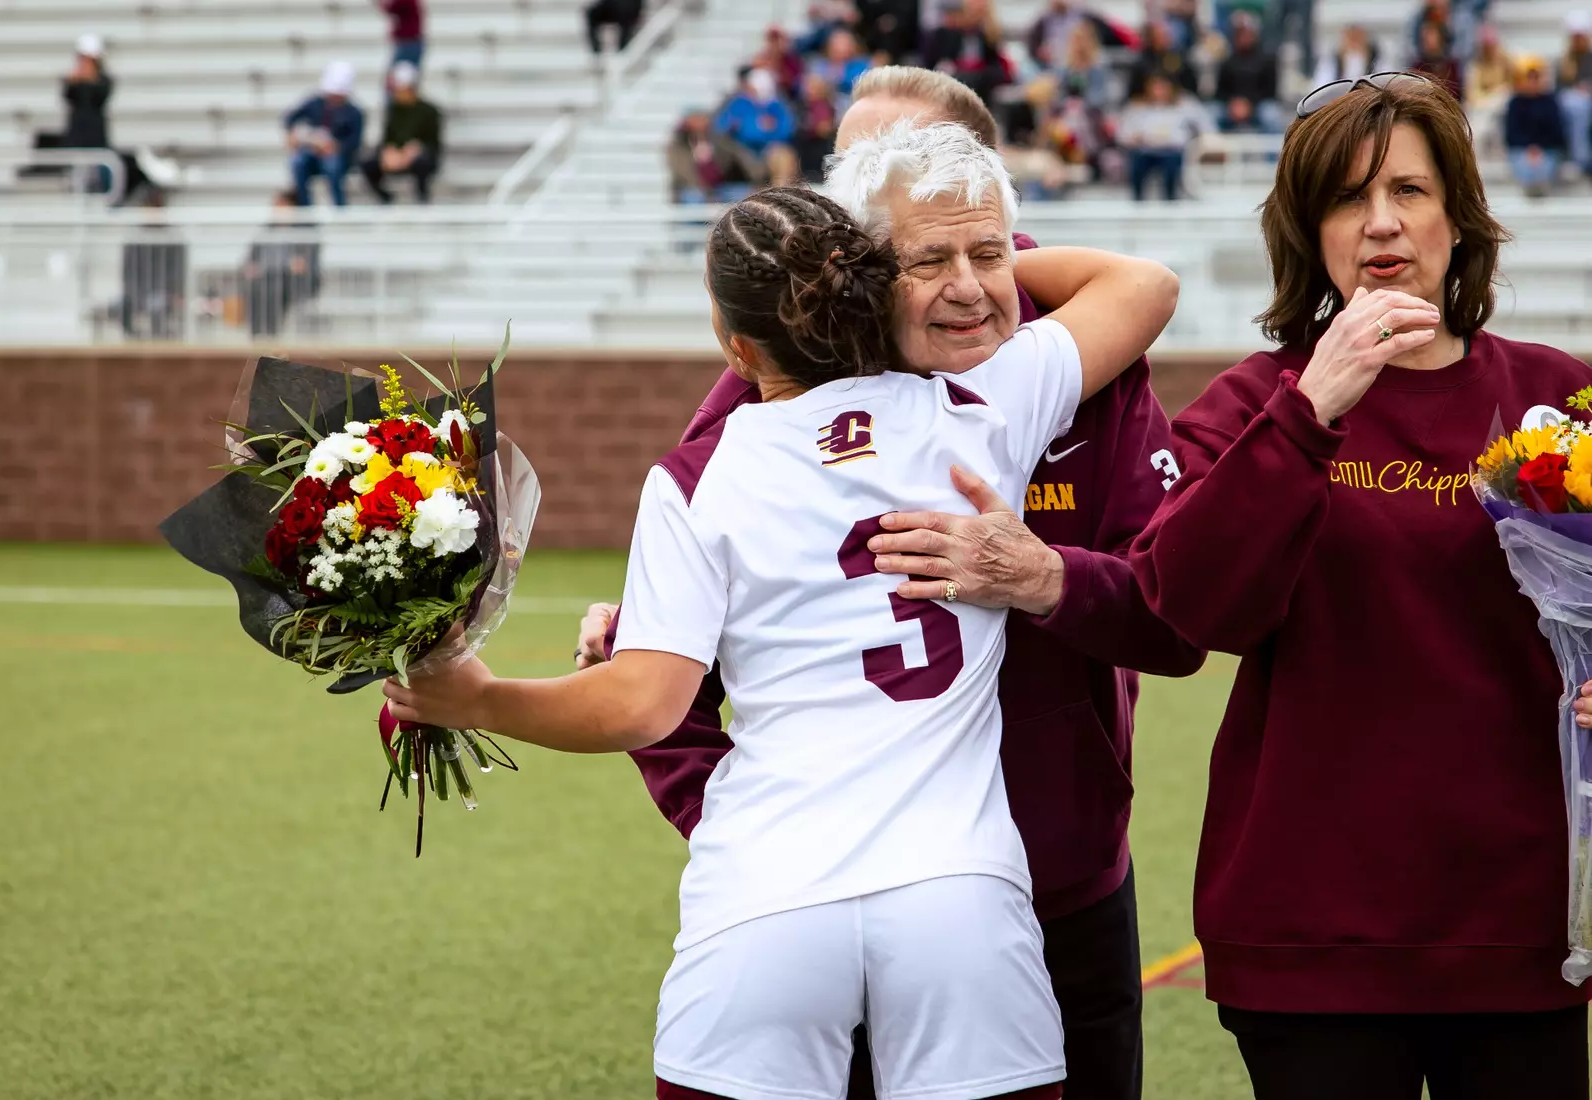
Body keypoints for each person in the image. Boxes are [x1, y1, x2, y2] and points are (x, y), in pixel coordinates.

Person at [388, 122, 1179, 1098]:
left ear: (734, 343)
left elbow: (641, 704)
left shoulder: (698, 475)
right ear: (875, 286)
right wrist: (987, 251)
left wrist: (477, 696)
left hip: (768, 893)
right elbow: (1143, 287)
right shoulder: (983, 408)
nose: (967, 284)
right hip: (957, 892)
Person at [585, 65, 1206, 1100]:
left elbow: (1178, 621)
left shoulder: (1075, 367)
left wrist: (1046, 577)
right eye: (863, 185)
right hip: (819, 885)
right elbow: (669, 668)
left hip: (1060, 872)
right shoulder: (763, 394)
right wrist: (742, 818)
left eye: (932, 178)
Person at [1129, 71, 1592, 1099]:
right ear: (1311, 231)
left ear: (1458, 219)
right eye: (1346, 198)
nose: (1380, 222)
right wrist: (1310, 411)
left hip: (1519, 921)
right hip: (1307, 932)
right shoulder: (1253, 401)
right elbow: (1187, 606)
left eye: (1409, 190)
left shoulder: (1553, 394)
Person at [283, 62, 365, 208]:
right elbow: (290, 117)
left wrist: (334, 147)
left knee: (332, 165)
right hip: (312, 154)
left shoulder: (354, 113)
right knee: (297, 161)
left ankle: (339, 207)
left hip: (339, 158)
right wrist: (293, 134)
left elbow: (354, 143)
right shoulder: (315, 103)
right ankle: (305, 207)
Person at [1120, 73, 1212, 201]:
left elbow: (1206, 126)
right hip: (1146, 150)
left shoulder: (1185, 105)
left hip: (1173, 150)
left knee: (1172, 165)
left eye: (1163, 87)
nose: (1160, 92)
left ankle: (1171, 198)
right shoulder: (1137, 108)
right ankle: (1137, 199)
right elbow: (1123, 134)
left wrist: (1194, 140)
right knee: (1137, 163)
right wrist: (1134, 138)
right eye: (1156, 88)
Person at [360, 61, 441, 204]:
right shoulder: (393, 109)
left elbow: (434, 142)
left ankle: (422, 198)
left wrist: (416, 149)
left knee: (422, 162)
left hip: (418, 156)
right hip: (396, 155)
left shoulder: (429, 111)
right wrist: (388, 151)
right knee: (369, 163)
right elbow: (387, 137)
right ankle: (385, 198)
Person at [242, 190, 320, 338]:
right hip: (266, 278)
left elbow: (304, 265)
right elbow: (250, 260)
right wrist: (252, 267)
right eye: (276, 206)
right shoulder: (265, 232)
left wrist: (284, 266)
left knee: (275, 288)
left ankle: (272, 334)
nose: (278, 210)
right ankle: (257, 335)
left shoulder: (305, 233)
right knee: (257, 290)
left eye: (283, 206)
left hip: (293, 282)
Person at [714, 69, 800, 187]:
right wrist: (759, 128)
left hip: (770, 149)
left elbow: (786, 130)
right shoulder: (740, 103)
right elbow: (723, 126)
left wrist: (760, 129)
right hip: (744, 149)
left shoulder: (776, 105)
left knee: (783, 157)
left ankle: (781, 190)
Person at [119, 190, 186, 341]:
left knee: (157, 303)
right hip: (139, 292)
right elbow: (128, 275)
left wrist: (170, 293)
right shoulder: (134, 240)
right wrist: (136, 295)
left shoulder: (174, 239)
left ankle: (158, 343)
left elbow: (177, 273)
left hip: (164, 293)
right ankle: (129, 342)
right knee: (124, 303)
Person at [667, 107, 766, 203]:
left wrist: (758, 178)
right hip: (693, 188)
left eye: (703, 119)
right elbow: (686, 173)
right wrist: (707, 191)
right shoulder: (678, 146)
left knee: (745, 194)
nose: (701, 123)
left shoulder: (718, 140)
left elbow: (740, 155)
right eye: (696, 119)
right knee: (694, 197)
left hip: (721, 188)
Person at [922, 0, 1010, 106]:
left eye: (980, 14)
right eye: (974, 12)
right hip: (948, 89)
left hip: (979, 91)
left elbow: (998, 69)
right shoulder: (942, 36)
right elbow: (930, 67)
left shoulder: (986, 38)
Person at [1506, 57, 1566, 199]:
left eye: (1535, 78)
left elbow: (1557, 132)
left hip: (1547, 149)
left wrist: (1539, 148)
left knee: (1543, 166)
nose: (1532, 82)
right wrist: (1529, 148)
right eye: (1529, 78)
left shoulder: (1550, 102)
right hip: (1522, 149)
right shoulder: (1515, 103)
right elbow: (1512, 133)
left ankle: (1540, 187)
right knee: (1524, 166)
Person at [1213, 13, 1282, 134]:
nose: (1244, 37)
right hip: (1232, 106)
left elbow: (1270, 91)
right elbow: (1220, 91)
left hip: (1258, 105)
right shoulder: (1227, 61)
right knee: (1212, 112)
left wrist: (1249, 104)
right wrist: (1233, 104)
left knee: (1271, 114)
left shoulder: (1267, 60)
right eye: (1240, 34)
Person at [1129, 17, 1198, 99]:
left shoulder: (1178, 59)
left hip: (1177, 101)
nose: (1164, 39)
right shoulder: (1142, 63)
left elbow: (1190, 86)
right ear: (1151, 37)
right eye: (1160, 35)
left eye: (1166, 35)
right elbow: (1134, 92)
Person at [1558, 12, 1592, 177]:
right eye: (1575, 36)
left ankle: (1581, 159)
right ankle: (1578, 158)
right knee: (1574, 106)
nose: (1578, 40)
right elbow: (1559, 88)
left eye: (1580, 36)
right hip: (1573, 105)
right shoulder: (1565, 61)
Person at [1410, 20, 1463, 102]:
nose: (1426, 40)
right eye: (1424, 37)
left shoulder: (1453, 65)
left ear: (1440, 38)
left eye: (1430, 35)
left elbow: (1458, 95)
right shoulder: (1417, 67)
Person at [1313, 24, 1378, 89]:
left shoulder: (1376, 60)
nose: (1354, 41)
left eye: (1358, 37)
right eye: (1351, 37)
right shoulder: (1331, 62)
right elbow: (1321, 86)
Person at [373, 0, 424, 71]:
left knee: (398, 72)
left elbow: (391, 8)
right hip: (410, 42)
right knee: (406, 71)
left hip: (408, 42)